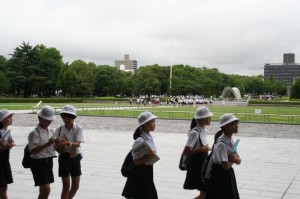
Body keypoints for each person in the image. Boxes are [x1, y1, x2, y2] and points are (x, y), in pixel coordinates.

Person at [122, 111, 159, 199]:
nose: (155, 124)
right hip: (139, 174)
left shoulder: (149, 136)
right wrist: (149, 157)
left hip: (147, 171)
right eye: (152, 122)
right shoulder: (139, 141)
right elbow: (136, 162)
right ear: (146, 124)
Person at [205, 113, 241, 199]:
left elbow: (239, 160)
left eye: (236, 123)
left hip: (228, 174)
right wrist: (233, 160)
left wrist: (234, 159)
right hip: (220, 175)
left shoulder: (230, 140)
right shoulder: (221, 143)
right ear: (225, 127)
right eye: (233, 124)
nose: (236, 126)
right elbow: (225, 166)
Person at [54, 105, 84, 199]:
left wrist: (69, 143)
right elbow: (55, 145)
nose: (66, 120)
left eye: (68, 118)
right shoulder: (59, 129)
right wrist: (58, 147)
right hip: (64, 157)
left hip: (75, 156)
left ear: (73, 118)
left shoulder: (78, 128)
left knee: (75, 186)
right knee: (66, 186)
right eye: (64, 117)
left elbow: (78, 143)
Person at [183, 106, 213, 199]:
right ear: (201, 119)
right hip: (197, 165)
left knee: (204, 194)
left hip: (202, 162)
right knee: (204, 193)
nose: (210, 119)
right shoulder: (195, 132)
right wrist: (202, 149)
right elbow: (186, 151)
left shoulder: (203, 130)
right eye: (207, 117)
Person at [28, 105, 57, 199]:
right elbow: (32, 151)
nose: (48, 122)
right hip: (38, 162)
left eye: (50, 120)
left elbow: (54, 147)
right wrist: (47, 144)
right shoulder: (34, 133)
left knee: (44, 189)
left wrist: (59, 144)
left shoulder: (51, 131)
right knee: (46, 189)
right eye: (46, 120)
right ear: (40, 118)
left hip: (48, 161)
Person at [0, 110, 15, 199]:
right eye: (9, 117)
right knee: (3, 187)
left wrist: (11, 143)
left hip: (4, 161)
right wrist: (5, 147)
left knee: (4, 187)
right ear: (2, 120)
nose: (11, 119)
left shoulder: (7, 131)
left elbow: (10, 141)